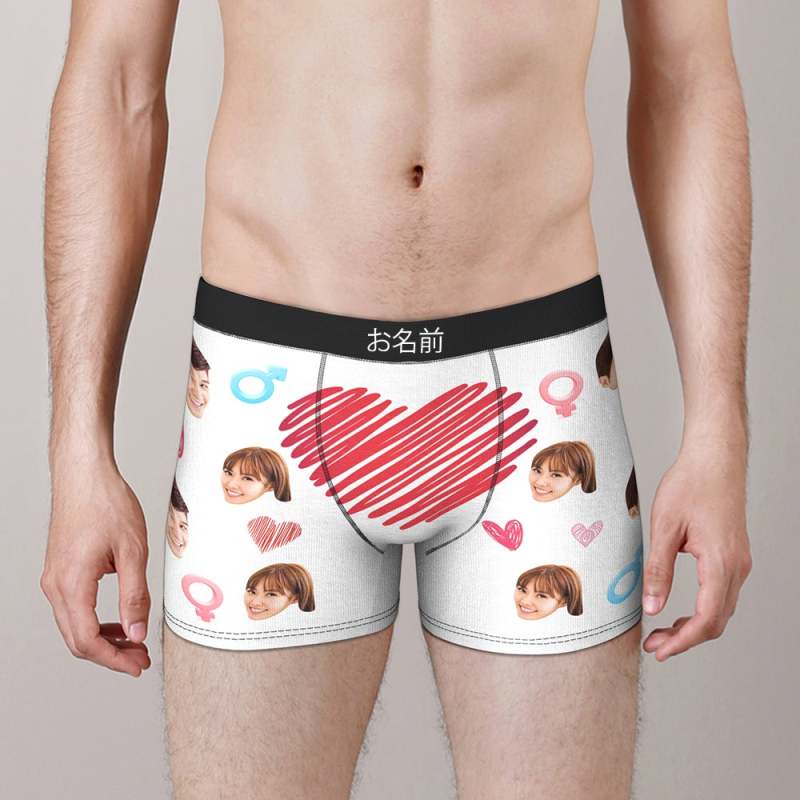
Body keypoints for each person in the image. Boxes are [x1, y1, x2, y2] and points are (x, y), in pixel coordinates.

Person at [40, 2, 753, 798]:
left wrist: (719, 433)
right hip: (269, 390)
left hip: (540, 394)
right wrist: (78, 452)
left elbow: (686, 79)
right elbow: (115, 80)